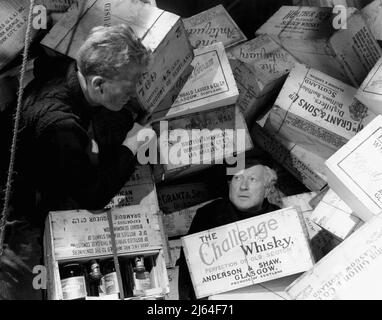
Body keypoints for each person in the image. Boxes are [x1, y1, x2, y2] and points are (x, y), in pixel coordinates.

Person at [14, 24, 152, 226]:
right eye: (128, 88)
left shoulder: (73, 68)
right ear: (98, 84)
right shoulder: (62, 127)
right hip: (27, 198)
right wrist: (131, 147)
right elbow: (93, 196)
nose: (133, 94)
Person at [177, 155, 280, 300]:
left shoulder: (280, 218)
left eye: (252, 179)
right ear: (229, 184)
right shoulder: (208, 215)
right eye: (237, 178)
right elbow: (188, 273)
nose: (243, 186)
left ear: (267, 190)